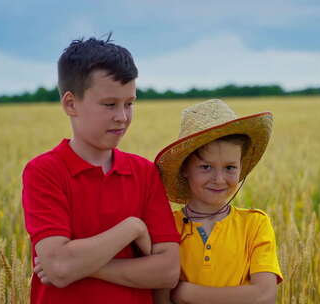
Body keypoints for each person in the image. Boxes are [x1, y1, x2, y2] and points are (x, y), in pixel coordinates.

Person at [22, 36, 180, 304]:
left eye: (129, 103)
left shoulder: (145, 172)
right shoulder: (44, 171)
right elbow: (59, 267)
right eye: (109, 104)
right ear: (70, 104)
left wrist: (81, 266)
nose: (122, 116)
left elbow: (167, 272)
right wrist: (131, 228)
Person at [154, 99, 283, 304]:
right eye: (206, 167)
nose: (219, 179)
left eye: (230, 167)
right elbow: (160, 297)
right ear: (185, 169)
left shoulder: (255, 224)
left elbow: (265, 296)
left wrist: (183, 293)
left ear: (242, 167)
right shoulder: (167, 226)